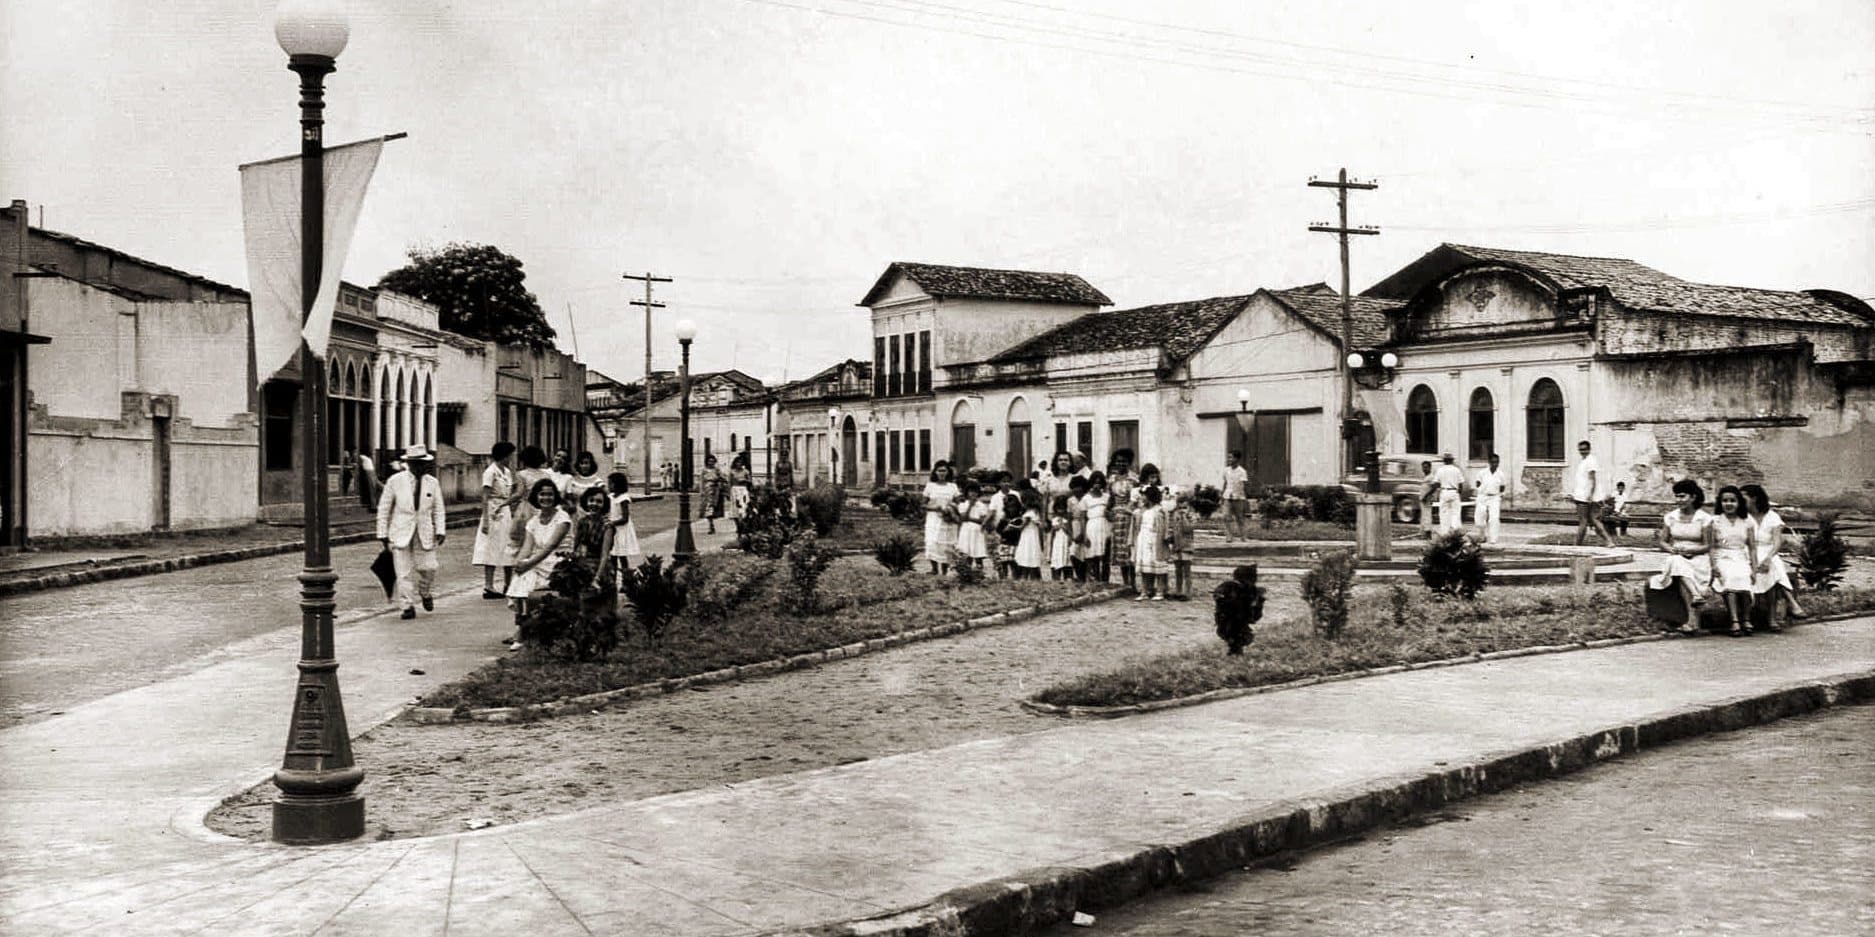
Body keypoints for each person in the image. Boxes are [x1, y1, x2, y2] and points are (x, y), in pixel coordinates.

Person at [376, 444, 447, 621]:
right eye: (415, 463)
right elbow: (384, 508)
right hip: (400, 532)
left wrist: (440, 529)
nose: (419, 467)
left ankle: (425, 591)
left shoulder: (432, 482)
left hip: (424, 531)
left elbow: (438, 508)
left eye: (422, 464)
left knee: (429, 567)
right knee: (403, 572)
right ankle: (407, 606)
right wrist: (382, 533)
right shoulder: (395, 481)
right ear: (409, 463)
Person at [505, 479, 574, 649]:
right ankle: (521, 628)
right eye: (542, 494)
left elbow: (551, 546)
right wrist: (519, 564)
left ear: (555, 496)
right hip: (538, 563)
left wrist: (528, 564)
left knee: (525, 576)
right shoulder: (533, 522)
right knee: (521, 577)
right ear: (536, 497)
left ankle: (521, 632)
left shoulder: (562, 518)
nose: (546, 498)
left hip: (559, 563)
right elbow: (527, 548)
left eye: (550, 494)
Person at [1740, 483, 1806, 630]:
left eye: (1743, 497)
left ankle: (1772, 617)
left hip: (1768, 551)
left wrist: (1768, 558)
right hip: (1747, 552)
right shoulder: (1741, 517)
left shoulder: (1772, 516)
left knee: (1772, 566)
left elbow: (1777, 543)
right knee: (1773, 571)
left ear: (1754, 498)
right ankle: (1788, 605)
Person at [1652, 479, 1714, 636]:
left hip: (1698, 558)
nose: (1679, 500)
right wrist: (1672, 549)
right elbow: (1662, 541)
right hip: (1677, 556)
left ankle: (1692, 618)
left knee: (1679, 568)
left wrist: (1691, 550)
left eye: (1682, 496)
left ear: (1693, 497)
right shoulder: (1671, 517)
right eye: (1677, 496)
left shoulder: (1704, 518)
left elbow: (1708, 546)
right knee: (1676, 561)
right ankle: (1695, 597)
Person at [1709, 486, 1758, 638]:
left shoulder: (1747, 520)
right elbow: (1710, 546)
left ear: (1739, 502)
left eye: (1732, 500)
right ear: (1720, 503)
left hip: (1741, 557)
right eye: (1725, 501)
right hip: (1722, 556)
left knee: (1745, 577)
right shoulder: (1715, 521)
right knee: (1730, 577)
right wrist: (1714, 566)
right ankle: (1734, 621)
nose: (1728, 504)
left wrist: (1754, 568)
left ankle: (1746, 619)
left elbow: (1752, 547)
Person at [472, 442, 520, 599]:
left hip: (504, 510)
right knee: (491, 547)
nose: (512, 458)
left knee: (508, 545)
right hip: (492, 511)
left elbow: (510, 492)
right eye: (510, 455)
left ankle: (508, 584)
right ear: (504, 455)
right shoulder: (490, 472)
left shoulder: (506, 472)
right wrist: (485, 519)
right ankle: (489, 586)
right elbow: (484, 496)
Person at [1571, 440, 1616, 548]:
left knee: (1583, 521)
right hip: (1585, 495)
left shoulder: (1590, 461)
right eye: (1581, 450)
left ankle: (1577, 544)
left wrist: (1590, 494)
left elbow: (1592, 479)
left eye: (1585, 449)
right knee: (1594, 520)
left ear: (1589, 449)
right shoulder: (1585, 461)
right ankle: (1609, 541)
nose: (1583, 451)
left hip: (1586, 496)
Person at [508, 445, 552, 556]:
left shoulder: (522, 474)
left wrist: (505, 502)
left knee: (522, 540)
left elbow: (519, 494)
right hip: (542, 507)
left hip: (526, 509)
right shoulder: (546, 475)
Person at [923, 461, 961, 574]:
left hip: (948, 520)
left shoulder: (953, 487)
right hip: (934, 518)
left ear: (948, 472)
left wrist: (952, 508)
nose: (941, 473)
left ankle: (944, 570)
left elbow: (959, 503)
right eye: (939, 470)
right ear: (935, 472)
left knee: (946, 543)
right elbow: (923, 504)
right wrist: (935, 508)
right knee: (932, 542)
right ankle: (934, 569)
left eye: (944, 470)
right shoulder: (930, 486)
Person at [1132, 484, 1168, 600]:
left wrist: (1161, 541)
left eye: (1145, 496)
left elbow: (1162, 528)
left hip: (1155, 539)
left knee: (1157, 565)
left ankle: (1160, 591)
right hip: (1144, 538)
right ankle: (1145, 590)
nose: (1143, 498)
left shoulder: (1159, 510)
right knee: (1145, 565)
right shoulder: (1143, 511)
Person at [605, 472, 642, 586]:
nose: (609, 486)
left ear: (617, 485)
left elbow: (625, 518)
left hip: (621, 530)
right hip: (613, 530)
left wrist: (613, 522)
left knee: (622, 557)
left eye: (611, 484)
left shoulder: (623, 498)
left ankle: (626, 582)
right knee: (613, 557)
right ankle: (612, 582)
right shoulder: (610, 497)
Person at [571, 487, 614, 571]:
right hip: (582, 565)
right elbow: (575, 546)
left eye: (599, 501)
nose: (594, 504)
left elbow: (604, 556)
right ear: (586, 502)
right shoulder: (582, 522)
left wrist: (596, 579)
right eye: (591, 500)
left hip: (600, 568)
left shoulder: (607, 525)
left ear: (604, 505)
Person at [1081, 472, 1112, 583]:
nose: (1097, 485)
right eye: (1094, 483)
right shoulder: (1086, 498)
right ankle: (1095, 580)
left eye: (1099, 483)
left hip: (1104, 526)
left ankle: (1105, 580)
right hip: (1092, 527)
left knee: (1105, 556)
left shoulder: (1107, 497)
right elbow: (1083, 518)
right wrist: (1085, 535)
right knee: (1092, 555)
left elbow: (1110, 514)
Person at [1167, 489, 1197, 600]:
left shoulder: (1191, 516)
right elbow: (1173, 529)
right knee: (1178, 571)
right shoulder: (1175, 515)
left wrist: (1184, 517)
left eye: (1184, 507)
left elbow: (1188, 528)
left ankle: (1187, 592)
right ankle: (1178, 591)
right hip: (1177, 546)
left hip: (1186, 546)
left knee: (1187, 572)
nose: (1182, 510)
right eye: (1180, 507)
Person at [1473, 452, 1508, 545]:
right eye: (1493, 462)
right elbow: (1477, 483)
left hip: (1494, 497)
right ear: (1489, 462)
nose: (1495, 464)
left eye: (1497, 462)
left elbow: (1502, 487)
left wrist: (1498, 495)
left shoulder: (1501, 474)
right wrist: (1482, 490)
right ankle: (1482, 535)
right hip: (1482, 496)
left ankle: (1493, 539)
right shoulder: (1482, 473)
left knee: (1494, 518)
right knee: (1479, 519)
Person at [954, 480, 990, 569]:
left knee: (978, 554)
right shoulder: (963, 505)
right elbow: (963, 518)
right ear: (967, 493)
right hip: (966, 531)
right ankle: (967, 573)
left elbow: (982, 520)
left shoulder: (981, 505)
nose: (973, 494)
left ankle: (979, 572)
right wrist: (970, 505)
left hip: (977, 532)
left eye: (975, 492)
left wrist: (970, 519)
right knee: (966, 553)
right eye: (971, 492)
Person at [1013, 489, 1046, 579]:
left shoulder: (1029, 514)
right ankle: (1030, 575)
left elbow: (1021, 527)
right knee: (1031, 552)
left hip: (1028, 536)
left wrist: (1011, 526)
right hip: (1032, 535)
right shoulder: (1036, 512)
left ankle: (1025, 575)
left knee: (1027, 552)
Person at [1433, 452, 1466, 533]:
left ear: (1444, 460)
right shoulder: (1456, 470)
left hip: (1444, 491)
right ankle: (1455, 531)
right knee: (1455, 513)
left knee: (1444, 513)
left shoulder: (1440, 470)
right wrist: (1458, 492)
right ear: (1452, 460)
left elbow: (1436, 483)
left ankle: (1445, 532)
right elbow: (1461, 484)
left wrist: (1439, 490)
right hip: (1454, 491)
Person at [1066, 475, 1091, 582]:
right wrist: (1071, 534)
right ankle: (1079, 575)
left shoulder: (1087, 498)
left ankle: (1086, 577)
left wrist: (1083, 533)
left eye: (1079, 486)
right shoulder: (1071, 500)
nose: (1076, 489)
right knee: (1073, 553)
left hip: (1086, 526)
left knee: (1085, 553)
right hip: (1074, 525)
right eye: (1074, 487)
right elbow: (1068, 518)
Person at [1221, 450, 1249, 541]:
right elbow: (1225, 483)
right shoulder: (1226, 470)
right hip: (1227, 496)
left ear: (1237, 459)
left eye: (1231, 457)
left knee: (1239, 518)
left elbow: (1243, 485)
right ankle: (1229, 535)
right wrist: (1222, 495)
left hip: (1238, 497)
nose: (1229, 459)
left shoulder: (1242, 471)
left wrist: (1244, 498)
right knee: (1225, 516)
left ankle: (1243, 536)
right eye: (1228, 457)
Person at [1048, 494, 1074, 581]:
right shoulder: (1054, 520)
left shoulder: (1068, 519)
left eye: (1062, 508)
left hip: (1065, 543)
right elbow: (1052, 535)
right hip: (1057, 544)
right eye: (1058, 508)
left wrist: (1063, 526)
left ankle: (1068, 577)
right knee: (1056, 560)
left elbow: (1070, 533)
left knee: (1066, 560)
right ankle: (1056, 578)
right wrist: (1050, 551)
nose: (1060, 510)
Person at [698, 453, 726, 534]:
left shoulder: (717, 470)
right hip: (707, 489)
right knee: (708, 507)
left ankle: (712, 522)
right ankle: (711, 525)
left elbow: (723, 477)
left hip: (716, 489)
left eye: (713, 461)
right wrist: (702, 491)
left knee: (714, 506)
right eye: (710, 461)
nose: (711, 463)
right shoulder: (704, 470)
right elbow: (701, 481)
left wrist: (721, 481)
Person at [728, 452, 753, 530]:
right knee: (735, 509)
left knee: (743, 508)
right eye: (737, 462)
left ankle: (743, 524)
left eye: (740, 462)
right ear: (735, 463)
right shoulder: (732, 472)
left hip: (743, 490)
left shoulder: (745, 471)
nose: (739, 464)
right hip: (735, 490)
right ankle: (737, 525)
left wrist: (744, 480)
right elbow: (730, 483)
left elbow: (750, 481)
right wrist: (728, 493)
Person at [1418, 460, 1437, 538]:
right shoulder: (1426, 477)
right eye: (1423, 468)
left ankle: (1428, 532)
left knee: (1427, 515)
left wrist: (1426, 496)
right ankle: (1423, 532)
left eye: (1426, 467)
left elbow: (1434, 487)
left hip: (1427, 499)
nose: (1424, 469)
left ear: (1430, 468)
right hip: (1423, 498)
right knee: (1424, 515)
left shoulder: (1431, 477)